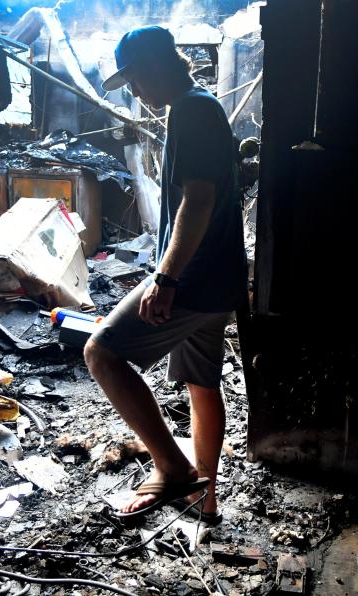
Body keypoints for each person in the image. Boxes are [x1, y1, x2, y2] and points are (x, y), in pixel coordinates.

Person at [84, 26, 247, 523]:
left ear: (156, 65)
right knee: (201, 384)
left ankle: (173, 470)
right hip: (218, 280)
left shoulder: (192, 111)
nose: (134, 91)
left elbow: (197, 200)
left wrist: (166, 278)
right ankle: (205, 496)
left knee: (103, 354)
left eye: (134, 78)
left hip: (194, 281)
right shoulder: (201, 107)